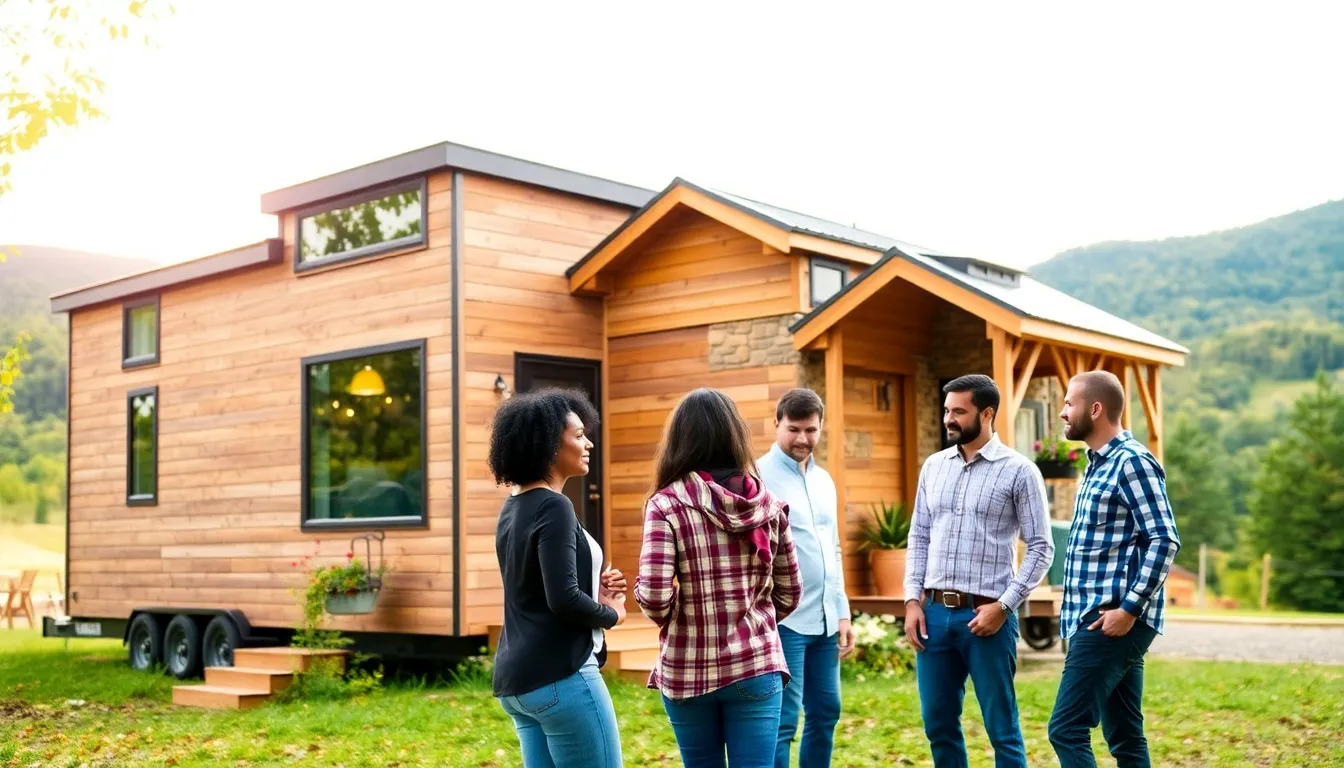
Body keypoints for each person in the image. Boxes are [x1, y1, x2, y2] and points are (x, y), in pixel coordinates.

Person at [634, 388, 802, 768]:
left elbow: (655, 597)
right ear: (734, 435)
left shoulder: (666, 505)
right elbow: (790, 592)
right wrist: (752, 618)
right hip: (757, 665)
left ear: (680, 439)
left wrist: (681, 617)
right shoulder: (769, 504)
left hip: (687, 667)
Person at [903, 374, 1054, 768]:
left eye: (959, 411)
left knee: (1001, 728)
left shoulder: (1020, 471)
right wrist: (911, 600)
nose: (949, 419)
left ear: (986, 414)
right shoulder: (933, 467)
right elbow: (918, 535)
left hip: (987, 616)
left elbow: (1041, 548)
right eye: (947, 410)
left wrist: (1003, 607)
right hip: (933, 616)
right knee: (938, 725)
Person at [489, 388, 628, 768]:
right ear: (551, 444)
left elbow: (533, 588)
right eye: (579, 435)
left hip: (519, 683)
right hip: (561, 678)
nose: (589, 443)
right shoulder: (555, 505)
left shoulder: (513, 507)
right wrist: (612, 613)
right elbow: (562, 599)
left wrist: (595, 590)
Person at [1048, 371, 1180, 768]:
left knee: (1066, 729)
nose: (1062, 413)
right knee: (1124, 735)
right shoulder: (1097, 464)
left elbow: (1164, 539)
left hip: (1110, 620)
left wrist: (1130, 609)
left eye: (1069, 403)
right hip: (1098, 619)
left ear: (1096, 408)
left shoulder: (1132, 462)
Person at [755, 388, 853, 768]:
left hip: (826, 620)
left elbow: (834, 547)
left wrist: (842, 612)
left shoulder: (825, 480)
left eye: (810, 430)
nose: (802, 439)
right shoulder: (758, 476)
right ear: (776, 423)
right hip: (786, 621)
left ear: (821, 427)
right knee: (783, 720)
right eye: (793, 428)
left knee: (827, 711)